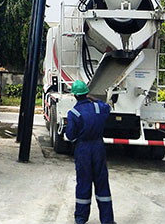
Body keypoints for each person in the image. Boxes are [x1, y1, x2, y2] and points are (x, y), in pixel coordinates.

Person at [64, 80, 115, 224]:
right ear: (87, 94)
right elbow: (107, 107)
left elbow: (70, 135)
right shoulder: (99, 108)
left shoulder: (73, 113)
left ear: (74, 95)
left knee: (83, 183)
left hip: (83, 150)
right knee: (102, 183)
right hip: (98, 147)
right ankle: (107, 220)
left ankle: (80, 219)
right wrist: (94, 98)